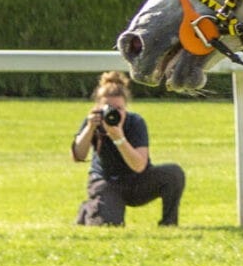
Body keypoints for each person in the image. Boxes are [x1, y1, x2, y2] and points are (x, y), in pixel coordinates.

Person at [73, 71, 185, 226]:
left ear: (126, 107)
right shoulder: (93, 122)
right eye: (108, 108)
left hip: (137, 181)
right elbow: (79, 155)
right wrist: (90, 127)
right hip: (107, 182)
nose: (114, 113)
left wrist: (118, 137)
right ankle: (89, 209)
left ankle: (169, 223)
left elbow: (139, 166)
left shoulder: (135, 122)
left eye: (119, 108)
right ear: (98, 107)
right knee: (109, 226)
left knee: (173, 173)